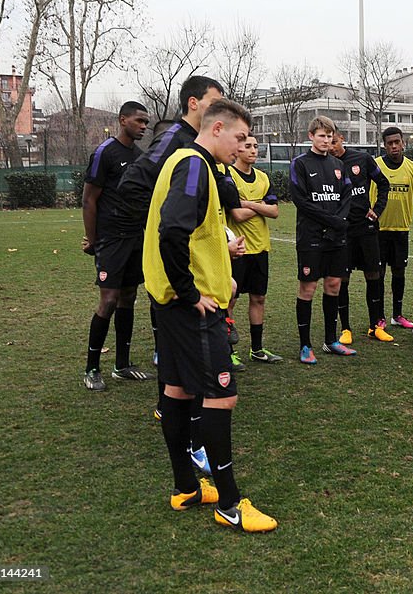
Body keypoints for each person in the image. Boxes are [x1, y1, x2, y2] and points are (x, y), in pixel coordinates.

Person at [143, 98, 277, 532]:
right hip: (191, 308)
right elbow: (173, 232)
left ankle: (186, 487)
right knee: (221, 395)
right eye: (239, 138)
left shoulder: (187, 162)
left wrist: (221, 275)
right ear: (216, 128)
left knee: (179, 390)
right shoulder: (195, 164)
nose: (241, 147)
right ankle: (231, 505)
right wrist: (191, 292)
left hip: (175, 304)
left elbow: (195, 232)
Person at [81, 101, 151, 391]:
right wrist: (93, 238)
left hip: (136, 237)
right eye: (139, 121)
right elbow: (89, 199)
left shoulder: (140, 156)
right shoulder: (104, 152)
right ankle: (91, 368)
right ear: (123, 120)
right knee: (108, 300)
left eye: (146, 122)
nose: (144, 126)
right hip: (111, 239)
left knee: (129, 296)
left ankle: (122, 365)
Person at [290, 116, 354, 363]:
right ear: (311, 136)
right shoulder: (300, 164)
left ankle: (331, 341)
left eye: (330, 136)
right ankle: (305, 345)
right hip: (311, 236)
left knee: (334, 285)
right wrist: (332, 221)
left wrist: (338, 223)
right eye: (321, 135)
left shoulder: (338, 165)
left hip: (336, 237)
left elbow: (346, 197)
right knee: (308, 287)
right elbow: (301, 201)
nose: (326, 140)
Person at [330, 130, 392, 344]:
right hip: (342, 231)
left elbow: (384, 184)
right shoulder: (326, 165)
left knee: (373, 275)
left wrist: (377, 209)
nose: (331, 147)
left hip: (366, 228)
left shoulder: (362, 159)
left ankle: (375, 326)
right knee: (342, 280)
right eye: (328, 143)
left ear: (341, 139)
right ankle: (345, 328)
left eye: (334, 142)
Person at [226, 133, 282, 363]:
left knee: (258, 298)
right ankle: (227, 353)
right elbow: (236, 215)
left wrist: (249, 203)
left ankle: (257, 349)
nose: (253, 150)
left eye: (255, 146)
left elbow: (275, 211)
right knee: (230, 300)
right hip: (237, 250)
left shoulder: (262, 177)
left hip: (260, 248)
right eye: (247, 146)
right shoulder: (228, 176)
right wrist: (261, 206)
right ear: (236, 149)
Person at [371, 126, 413, 330]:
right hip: (379, 228)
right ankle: (380, 316)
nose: (394, 146)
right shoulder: (374, 166)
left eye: (397, 142)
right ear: (384, 145)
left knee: (399, 272)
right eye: (389, 143)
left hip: (401, 228)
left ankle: (397, 314)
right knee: (379, 273)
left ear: (403, 143)